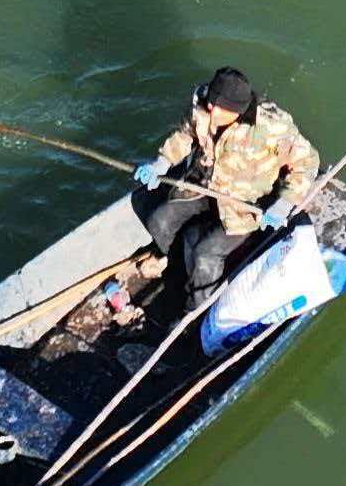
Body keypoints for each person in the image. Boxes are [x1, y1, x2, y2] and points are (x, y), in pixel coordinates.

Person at [134, 67, 320, 310]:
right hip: (203, 188)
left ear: (237, 110)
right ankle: (179, 272)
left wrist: (285, 202)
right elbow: (185, 135)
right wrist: (162, 162)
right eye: (211, 101)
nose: (211, 109)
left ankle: (197, 309)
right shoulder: (202, 104)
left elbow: (307, 161)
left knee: (205, 254)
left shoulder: (272, 127)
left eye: (218, 106)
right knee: (160, 222)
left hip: (243, 207)